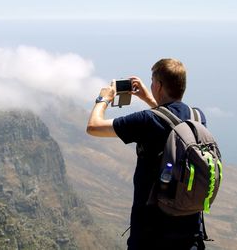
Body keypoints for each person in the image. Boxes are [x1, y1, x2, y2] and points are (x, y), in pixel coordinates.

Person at [86, 58, 206, 250]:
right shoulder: (197, 117)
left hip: (151, 235)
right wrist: (148, 97)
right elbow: (169, 120)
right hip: (190, 233)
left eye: (153, 81)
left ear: (158, 85)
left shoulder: (147, 121)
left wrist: (104, 99)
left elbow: (93, 127)